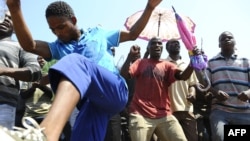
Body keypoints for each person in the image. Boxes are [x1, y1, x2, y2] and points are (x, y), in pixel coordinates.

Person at [2, 0, 163, 141]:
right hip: (91, 104)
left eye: (61, 27)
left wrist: (149, 7)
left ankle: (45, 133)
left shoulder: (98, 34)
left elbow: (133, 34)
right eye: (53, 30)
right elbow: (30, 45)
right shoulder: (58, 47)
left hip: (115, 91)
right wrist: (15, 8)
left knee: (76, 61)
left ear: (73, 20)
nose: (58, 33)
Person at [120, 37, 201, 141]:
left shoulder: (168, 65)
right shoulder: (140, 63)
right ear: (148, 49)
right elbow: (123, 75)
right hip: (140, 114)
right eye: (153, 43)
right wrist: (129, 57)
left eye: (159, 43)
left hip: (164, 115)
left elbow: (184, 76)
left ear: (162, 48)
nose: (157, 45)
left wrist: (193, 60)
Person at [199, 31, 250, 141]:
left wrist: (248, 93)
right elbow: (206, 84)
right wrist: (215, 93)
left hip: (244, 111)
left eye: (230, 37)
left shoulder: (246, 61)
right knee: (219, 137)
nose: (227, 40)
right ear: (219, 44)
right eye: (223, 39)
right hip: (220, 111)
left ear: (235, 42)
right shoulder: (211, 62)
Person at [0, 10, 41, 130]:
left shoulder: (21, 47)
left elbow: (35, 71)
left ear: (15, 28)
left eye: (11, 17)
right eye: (3, 16)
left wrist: (4, 71)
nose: (7, 19)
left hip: (4, 103)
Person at [165, 39, 199, 141]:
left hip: (186, 108)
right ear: (166, 48)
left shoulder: (187, 65)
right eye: (172, 43)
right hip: (168, 110)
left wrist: (192, 93)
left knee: (192, 138)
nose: (176, 44)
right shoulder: (162, 64)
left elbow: (192, 84)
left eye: (178, 43)